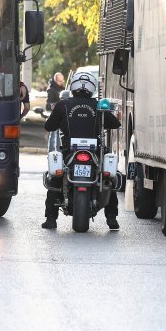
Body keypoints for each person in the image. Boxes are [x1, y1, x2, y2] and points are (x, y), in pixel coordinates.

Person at [41, 71, 121, 230]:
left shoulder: (63, 105)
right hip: (95, 152)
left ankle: (51, 219)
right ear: (92, 88)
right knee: (108, 179)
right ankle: (111, 219)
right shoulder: (98, 106)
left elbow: (49, 126)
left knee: (55, 179)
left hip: (69, 152)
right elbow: (115, 124)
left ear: (73, 87)